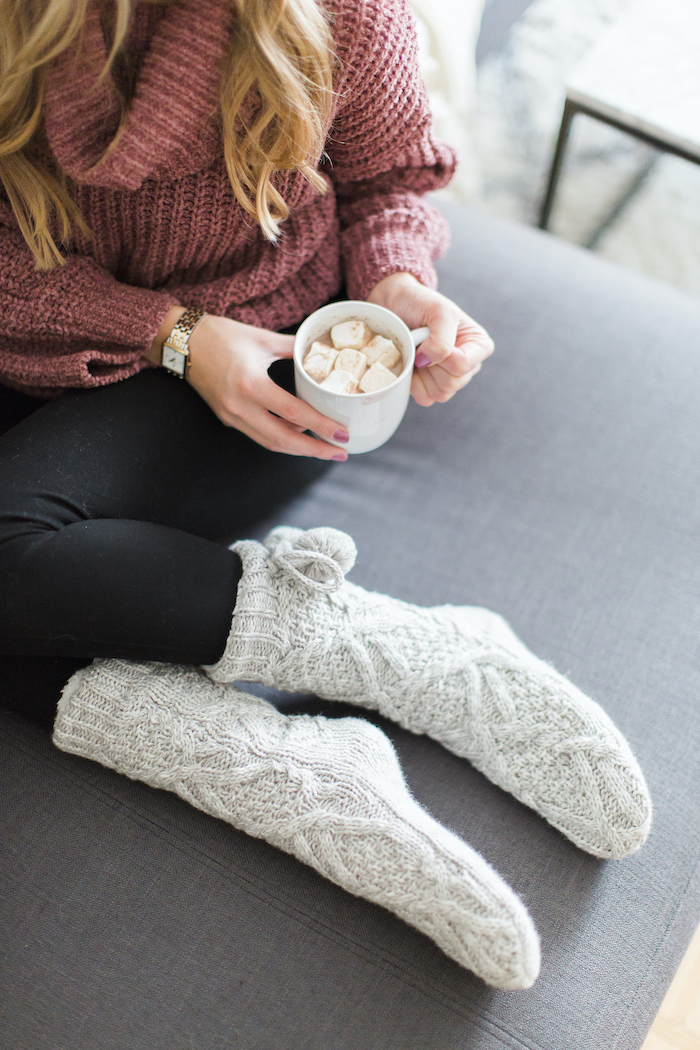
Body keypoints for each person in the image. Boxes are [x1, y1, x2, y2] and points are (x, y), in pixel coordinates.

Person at [0, 0, 651, 990]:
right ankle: (272, 770)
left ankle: (392, 653)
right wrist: (170, 331)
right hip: (53, 337)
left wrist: (395, 284)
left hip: (271, 362)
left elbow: (388, 183)